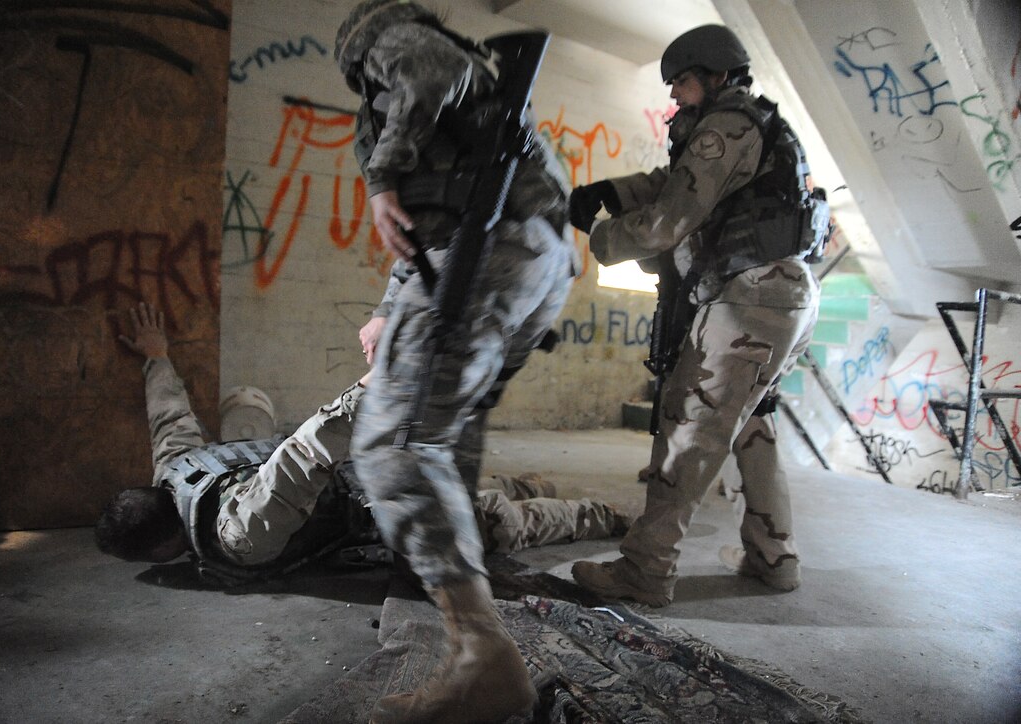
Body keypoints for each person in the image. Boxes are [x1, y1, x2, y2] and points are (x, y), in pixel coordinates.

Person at [334, 2, 577, 721]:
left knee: (393, 445)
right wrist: (389, 306)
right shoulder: (477, 90)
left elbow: (427, 74)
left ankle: (483, 657)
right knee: (445, 434)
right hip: (530, 260)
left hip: (487, 249)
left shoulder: (396, 43)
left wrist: (380, 175)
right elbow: (428, 216)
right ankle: (464, 614)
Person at [96, 303, 628, 585]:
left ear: (166, 551)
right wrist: (156, 355)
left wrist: (375, 386)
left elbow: (304, 457)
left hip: (378, 493)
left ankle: (595, 512)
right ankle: (566, 499)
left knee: (495, 520)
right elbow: (170, 417)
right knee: (482, 505)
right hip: (374, 488)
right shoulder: (178, 472)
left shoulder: (233, 530)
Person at [567, 24, 824, 607]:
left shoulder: (725, 126)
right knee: (752, 426)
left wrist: (603, 235)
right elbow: (675, 184)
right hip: (787, 294)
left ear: (716, 75)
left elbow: (670, 219)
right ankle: (774, 556)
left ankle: (647, 569)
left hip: (749, 297)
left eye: (680, 82)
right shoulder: (756, 126)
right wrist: (613, 187)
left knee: (688, 427)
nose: (675, 96)